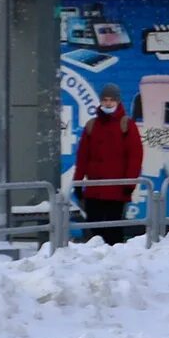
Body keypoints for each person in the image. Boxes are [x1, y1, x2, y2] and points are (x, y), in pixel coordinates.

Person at [72, 83, 144, 244]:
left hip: (117, 188)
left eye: (112, 100)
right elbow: (83, 156)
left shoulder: (126, 124)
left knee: (114, 230)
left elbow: (135, 156)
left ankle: (114, 261)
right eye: (105, 99)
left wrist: (129, 183)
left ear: (118, 101)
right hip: (94, 189)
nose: (108, 103)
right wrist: (78, 182)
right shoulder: (92, 125)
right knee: (95, 229)